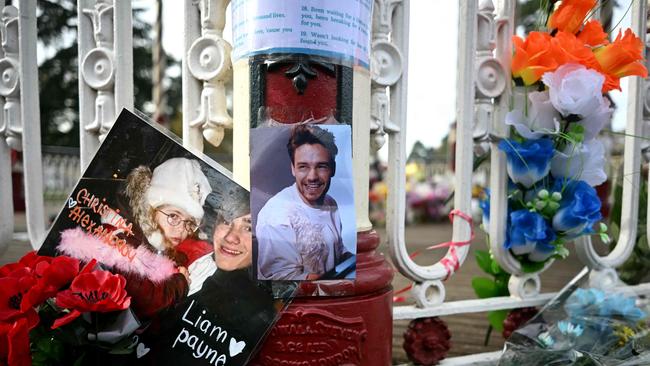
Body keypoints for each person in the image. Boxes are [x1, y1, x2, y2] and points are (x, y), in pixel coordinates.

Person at [140, 189, 286, 366]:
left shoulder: (255, 311)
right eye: (226, 221)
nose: (231, 236)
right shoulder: (195, 262)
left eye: (248, 228)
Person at [57, 157, 212, 320]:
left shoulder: (153, 245)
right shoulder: (121, 236)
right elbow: (143, 300)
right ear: (151, 208)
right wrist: (179, 284)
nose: (181, 229)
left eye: (189, 223)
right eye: (173, 216)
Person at [256, 124, 352, 281]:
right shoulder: (277, 214)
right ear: (293, 168)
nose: (312, 177)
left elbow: (337, 252)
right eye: (303, 167)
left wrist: (353, 261)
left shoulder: (330, 202)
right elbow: (283, 278)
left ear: (333, 169)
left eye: (321, 166)